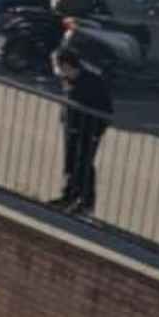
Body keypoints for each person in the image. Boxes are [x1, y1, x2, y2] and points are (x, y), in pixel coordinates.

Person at [49, 49, 113, 215]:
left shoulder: (92, 81)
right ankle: (68, 196)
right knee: (70, 163)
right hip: (72, 129)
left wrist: (96, 131)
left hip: (88, 131)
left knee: (84, 166)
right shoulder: (68, 79)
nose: (56, 70)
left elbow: (106, 110)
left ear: (67, 65)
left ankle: (85, 203)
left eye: (57, 65)